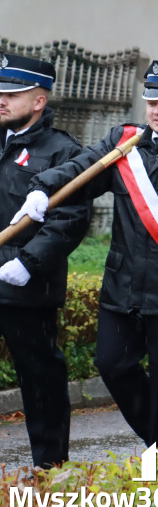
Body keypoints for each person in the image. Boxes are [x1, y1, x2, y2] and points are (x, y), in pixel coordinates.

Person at [20, 61, 158, 447]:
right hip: (122, 286)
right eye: (151, 102)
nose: (156, 111)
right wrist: (44, 186)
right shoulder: (125, 145)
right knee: (112, 363)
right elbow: (82, 169)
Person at [0, 54, 90, 468]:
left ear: (39, 100)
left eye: (12, 94)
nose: (2, 100)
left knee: (40, 379)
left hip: (27, 286)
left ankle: (49, 467)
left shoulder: (63, 152)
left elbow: (70, 220)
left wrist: (28, 263)